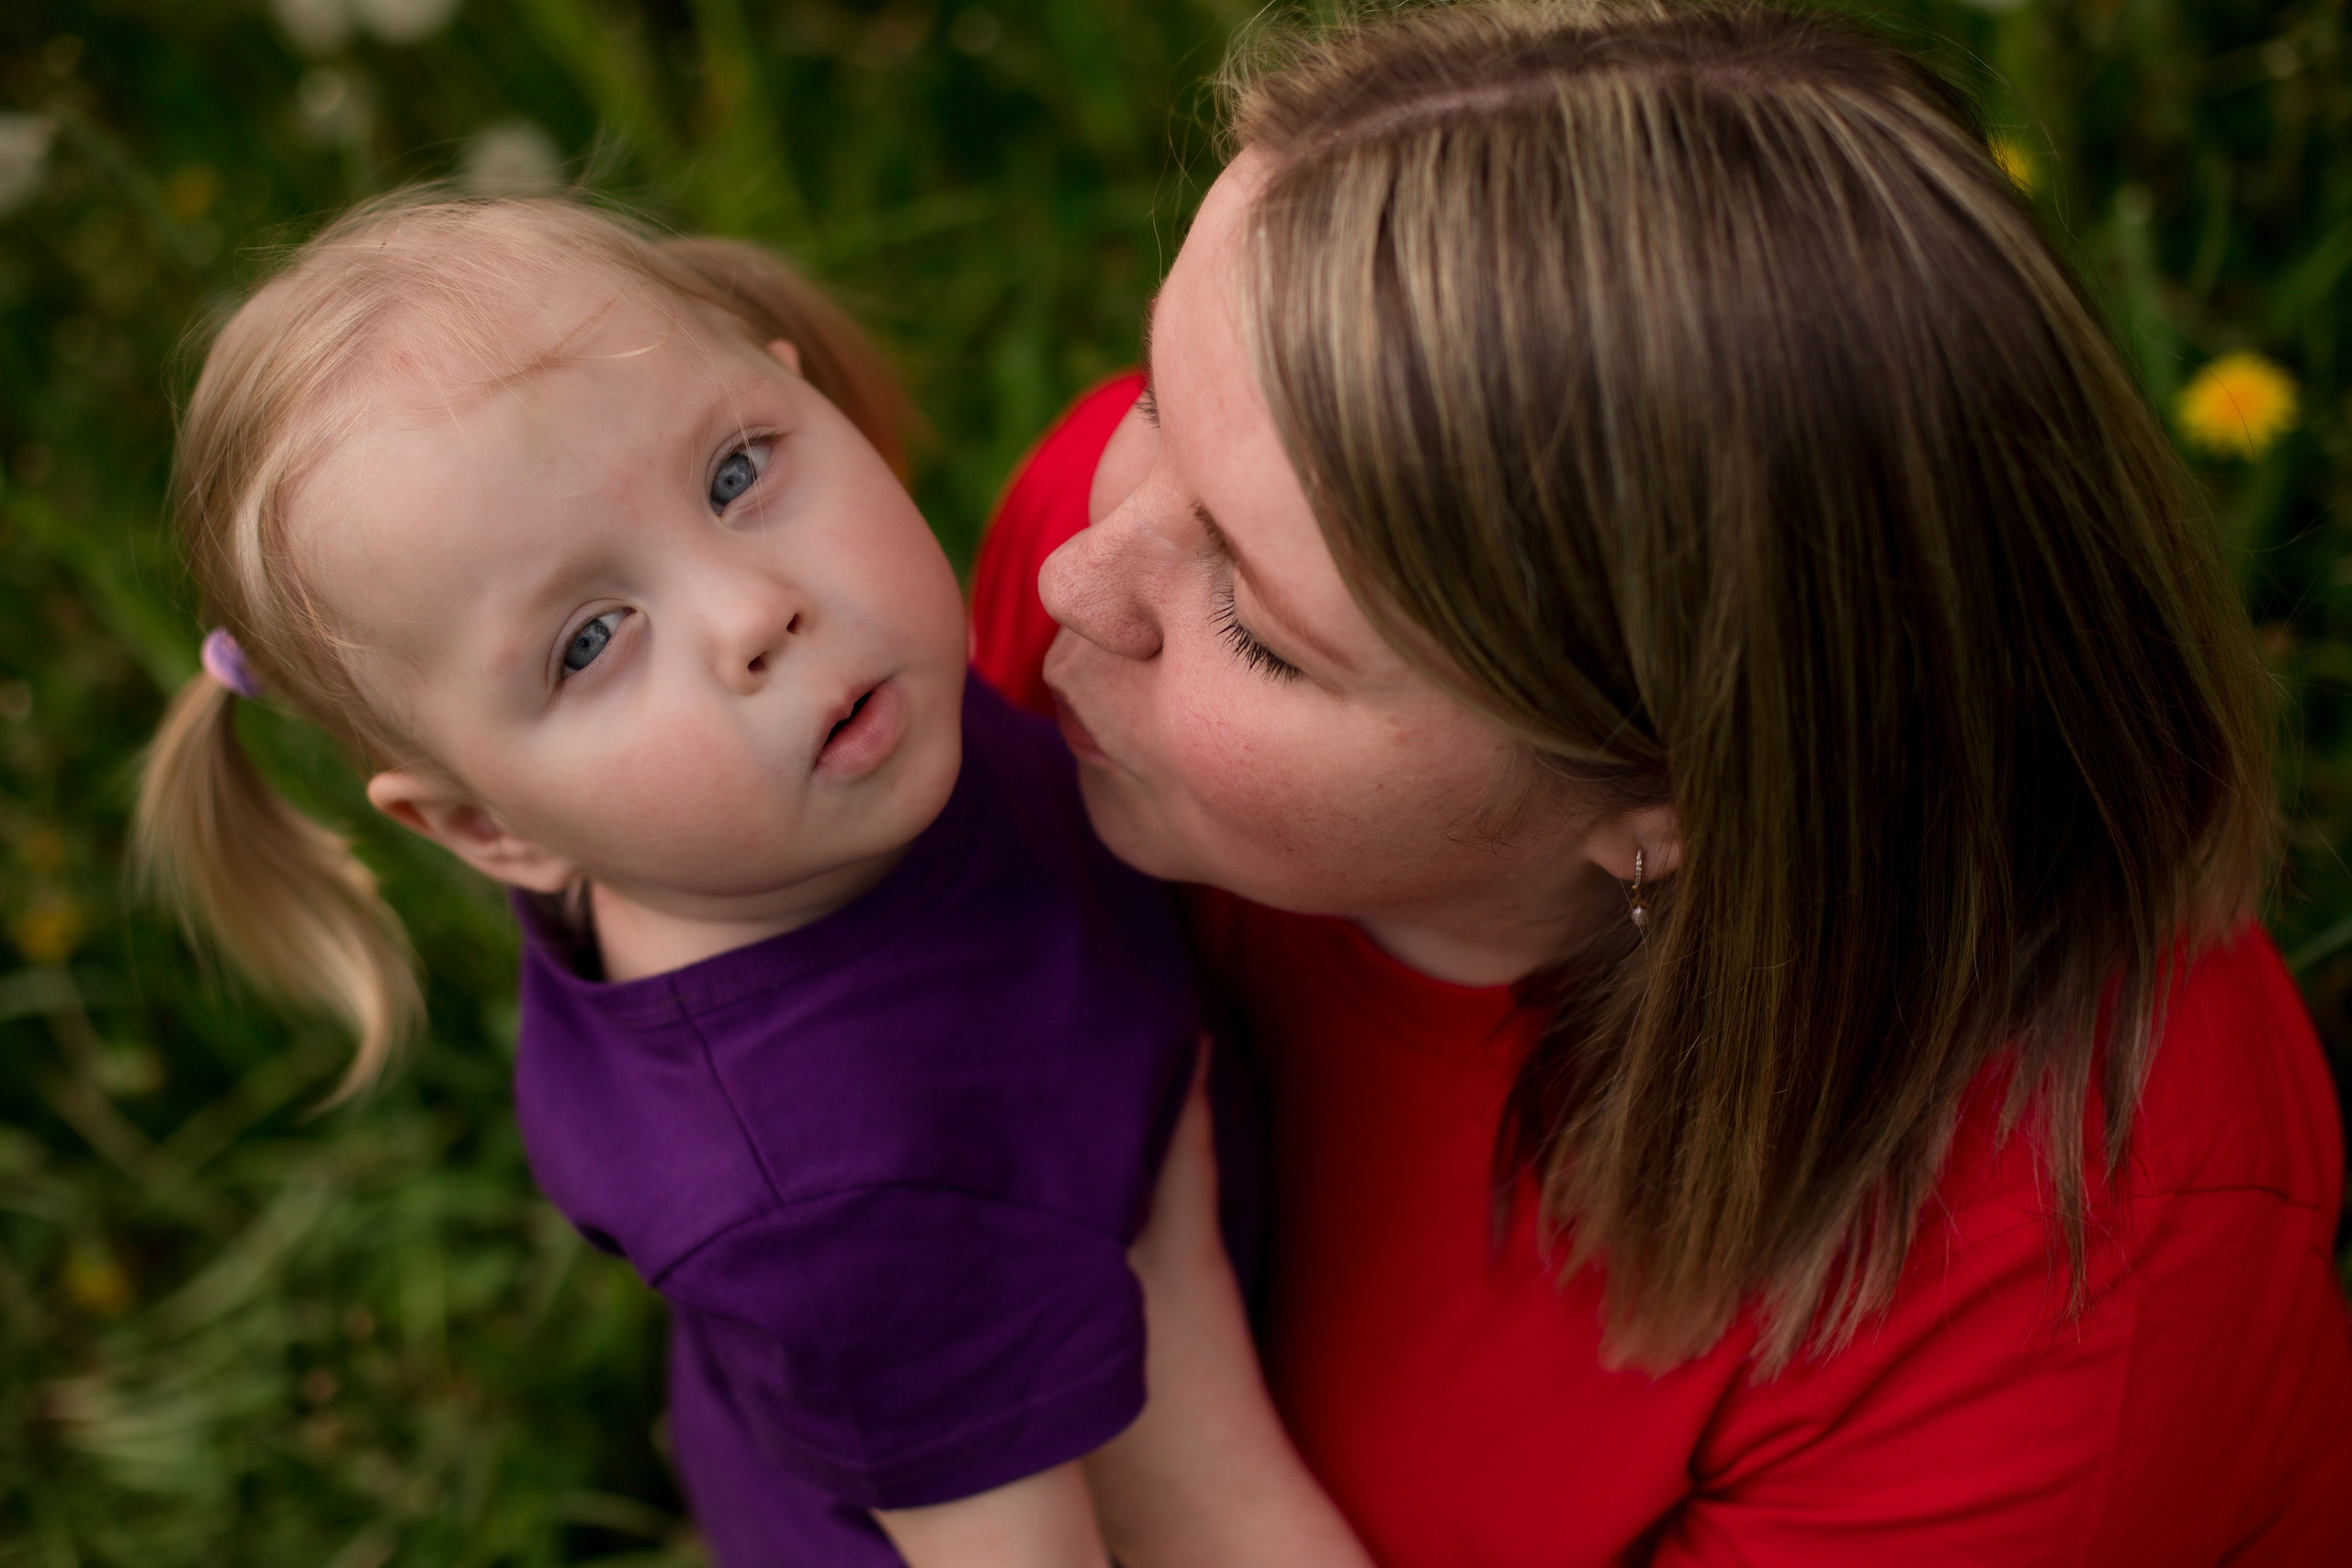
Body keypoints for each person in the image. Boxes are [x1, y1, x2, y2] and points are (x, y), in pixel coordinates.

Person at [970, 3, 2352, 1562]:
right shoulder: (1107, 589)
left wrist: (1124, 1353)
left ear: (1671, 795)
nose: (1077, 570)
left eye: (1258, 628)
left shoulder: (2072, 1267)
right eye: (1157, 397)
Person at [131, 193, 1222, 1568]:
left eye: (735, 473)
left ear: (801, 389)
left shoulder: (816, 767)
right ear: (491, 830)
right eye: (591, 641)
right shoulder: (829, 1193)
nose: (756, 610)